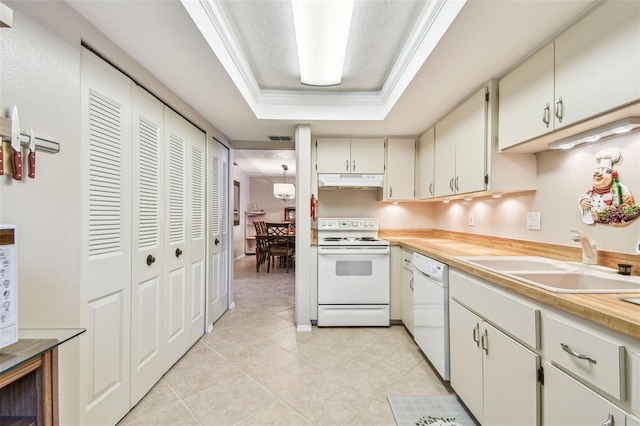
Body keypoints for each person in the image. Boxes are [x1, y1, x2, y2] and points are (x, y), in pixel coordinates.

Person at [578, 151, 634, 224]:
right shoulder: (592, 192)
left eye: (605, 172)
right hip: (595, 221)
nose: (597, 174)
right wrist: (582, 202)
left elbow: (629, 205)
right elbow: (584, 199)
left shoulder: (618, 187)